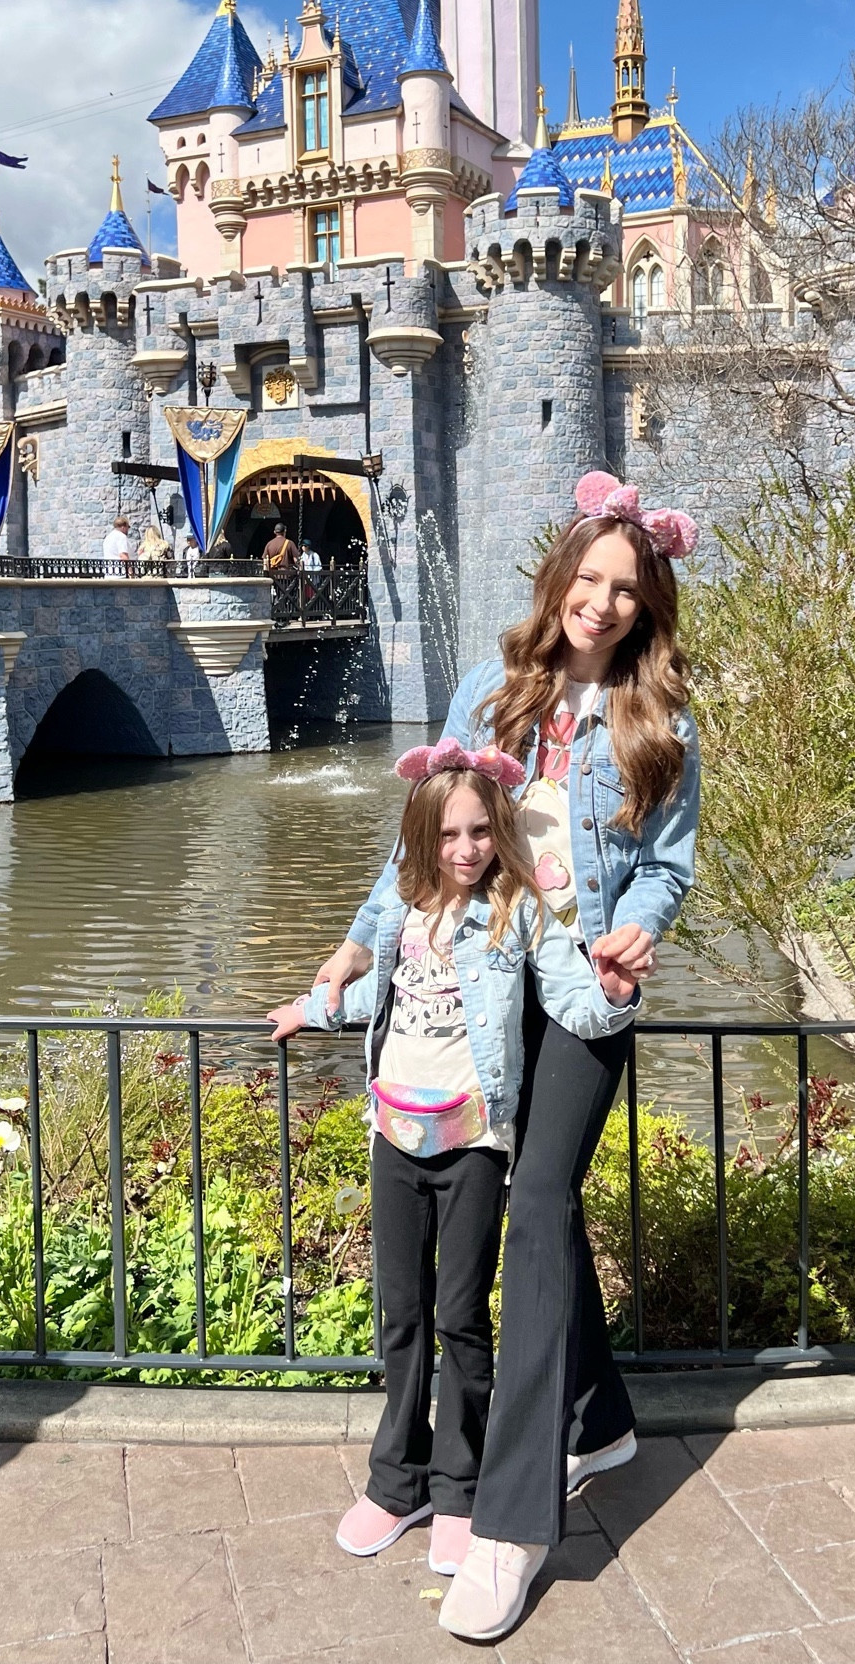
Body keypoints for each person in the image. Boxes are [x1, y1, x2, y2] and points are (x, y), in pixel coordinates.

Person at [315, 469, 701, 1641]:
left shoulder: (660, 722)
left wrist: (645, 921)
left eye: (626, 590)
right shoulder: (494, 686)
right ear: (561, 578)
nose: (602, 603)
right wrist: (349, 948)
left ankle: (513, 1521)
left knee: (534, 1209)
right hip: (484, 987)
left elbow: (674, 864)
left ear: (648, 605)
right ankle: (605, 1421)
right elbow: (425, 843)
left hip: (583, 988)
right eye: (589, 579)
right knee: (542, 1211)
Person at [268, 739, 640, 1584]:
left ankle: (460, 1487)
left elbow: (573, 1002)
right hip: (394, 1133)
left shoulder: (519, 916)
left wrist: (615, 993)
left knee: (460, 1320)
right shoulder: (402, 915)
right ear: (421, 837)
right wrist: (309, 1007)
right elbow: (375, 997)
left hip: (473, 1141)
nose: (466, 848)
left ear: (499, 831)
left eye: (480, 831)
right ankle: (397, 1482)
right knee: (400, 1315)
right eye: (448, 835)